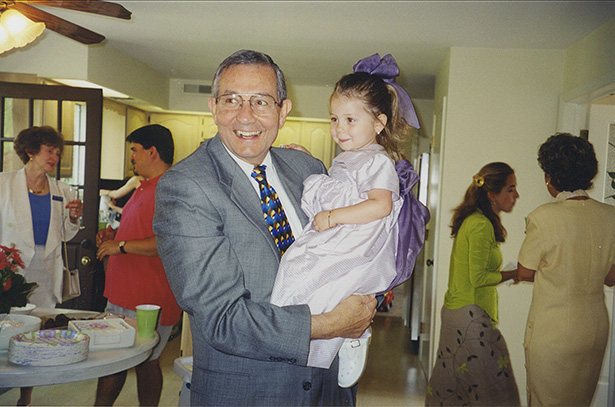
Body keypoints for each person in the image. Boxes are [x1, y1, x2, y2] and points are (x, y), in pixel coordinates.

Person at [153, 49, 377, 406]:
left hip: (328, 390)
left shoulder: (307, 168)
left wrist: (366, 295)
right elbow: (223, 319)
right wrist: (333, 323)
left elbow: (353, 245)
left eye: (260, 101)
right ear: (213, 108)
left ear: (282, 111)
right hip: (249, 393)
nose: (246, 116)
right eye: (231, 100)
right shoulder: (186, 187)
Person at [270, 53, 428, 390]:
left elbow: (380, 206)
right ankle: (323, 342)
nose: (339, 129)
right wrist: (310, 161)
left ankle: (352, 337)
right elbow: (342, 188)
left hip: (356, 243)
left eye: (350, 120)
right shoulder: (351, 157)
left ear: (379, 123)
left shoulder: (379, 161)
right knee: (313, 287)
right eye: (334, 119)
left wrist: (332, 216)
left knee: (305, 275)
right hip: (343, 237)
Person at [517, 133, 615, 406]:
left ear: (550, 177)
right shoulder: (611, 216)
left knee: (546, 400)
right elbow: (611, 277)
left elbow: (525, 271)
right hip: (594, 328)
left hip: (555, 331)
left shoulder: (543, 217)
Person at [94, 124, 181, 407]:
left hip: (148, 296)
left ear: (152, 152)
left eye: (134, 150)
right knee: (121, 361)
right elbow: (140, 233)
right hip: (124, 290)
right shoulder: (144, 186)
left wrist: (118, 247)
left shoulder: (170, 189)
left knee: (133, 362)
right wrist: (113, 237)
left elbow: (165, 242)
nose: (131, 156)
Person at [0, 125, 83, 406]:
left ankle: (26, 395)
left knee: (37, 331)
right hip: (11, 268)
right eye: (50, 151)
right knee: (8, 326)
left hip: (45, 269)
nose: (55, 157)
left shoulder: (61, 189)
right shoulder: (4, 183)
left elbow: (66, 235)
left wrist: (73, 218)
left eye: (58, 153)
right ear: (31, 151)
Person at [426, 162, 521, 406]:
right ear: (492, 195)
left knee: (454, 390)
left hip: (460, 314)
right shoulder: (480, 225)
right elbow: (478, 278)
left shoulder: (476, 220)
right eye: (510, 189)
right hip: (470, 317)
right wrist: (514, 273)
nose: (516, 195)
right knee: (494, 391)